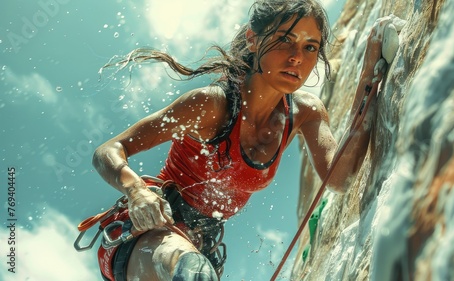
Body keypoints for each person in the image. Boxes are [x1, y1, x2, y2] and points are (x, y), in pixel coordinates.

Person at [92, 0, 388, 280]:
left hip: (199, 245)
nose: (297, 56)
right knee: (194, 273)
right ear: (253, 40)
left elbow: (338, 179)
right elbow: (108, 151)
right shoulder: (211, 105)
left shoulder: (305, 113)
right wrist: (136, 191)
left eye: (310, 47)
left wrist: (368, 77)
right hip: (147, 232)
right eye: (285, 39)